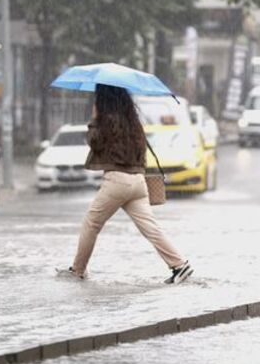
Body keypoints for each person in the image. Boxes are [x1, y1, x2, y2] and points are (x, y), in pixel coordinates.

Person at [59, 84, 194, 284]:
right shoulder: (133, 122)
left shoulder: (106, 120)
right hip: (138, 181)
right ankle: (180, 265)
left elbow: (94, 142)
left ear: (103, 99)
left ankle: (78, 270)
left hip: (117, 181)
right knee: (151, 228)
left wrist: (95, 118)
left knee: (91, 223)